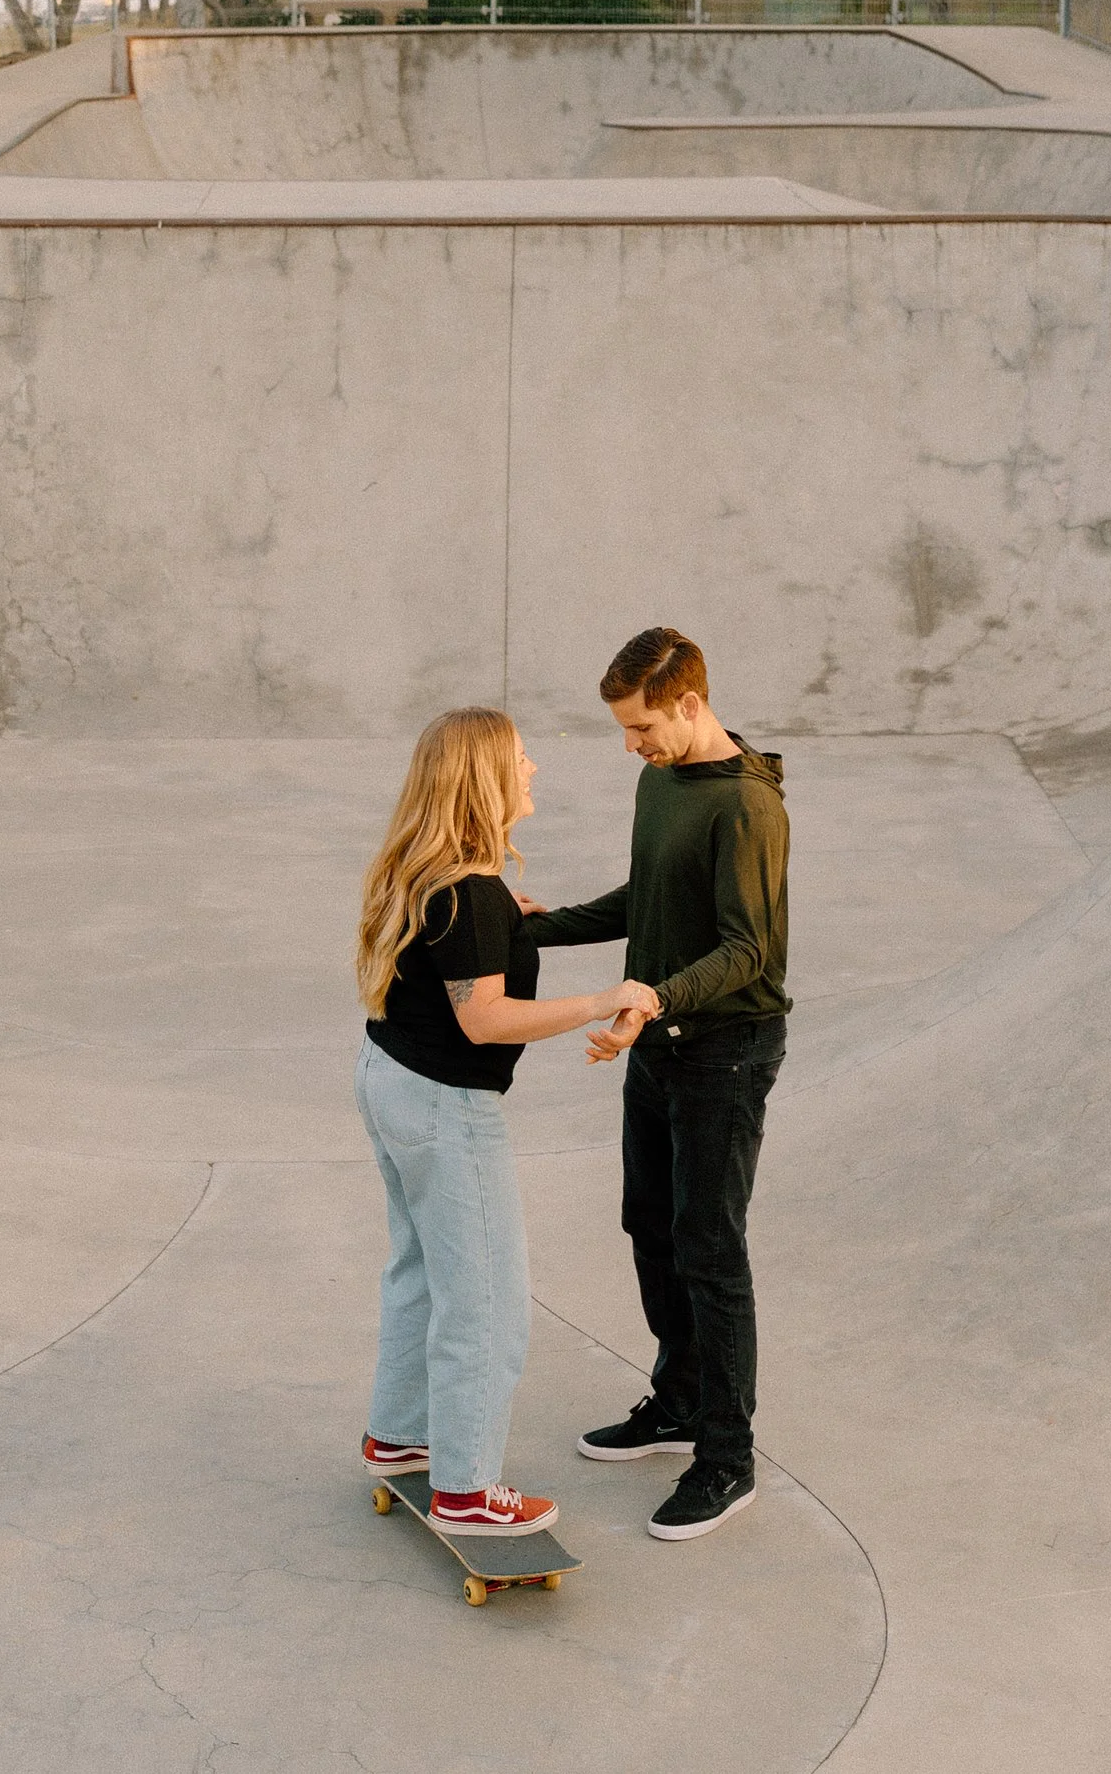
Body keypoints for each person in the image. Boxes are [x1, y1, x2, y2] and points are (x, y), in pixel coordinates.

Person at [354, 705, 661, 1538]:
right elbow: (484, 1021)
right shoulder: (471, 895)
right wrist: (603, 998)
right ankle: (465, 1488)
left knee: (419, 1271)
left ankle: (397, 1435)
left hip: (389, 1079)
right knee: (486, 1303)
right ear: (487, 777)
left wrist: (513, 930)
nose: (534, 770)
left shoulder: (432, 873)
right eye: (522, 759)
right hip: (448, 1108)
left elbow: (458, 963)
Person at [524, 627, 790, 1541]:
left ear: (687, 703)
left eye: (639, 727)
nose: (629, 746)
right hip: (658, 1040)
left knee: (711, 1251)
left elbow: (748, 949)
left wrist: (656, 994)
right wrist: (538, 927)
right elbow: (647, 900)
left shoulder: (748, 809)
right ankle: (677, 1403)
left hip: (725, 1050)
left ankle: (727, 1458)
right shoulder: (661, 781)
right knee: (651, 1227)